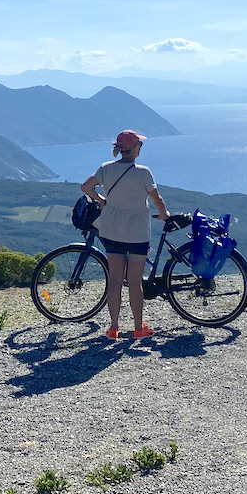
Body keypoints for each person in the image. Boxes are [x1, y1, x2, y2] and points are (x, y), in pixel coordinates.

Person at [80, 129, 170, 339]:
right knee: (135, 281)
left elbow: (85, 187)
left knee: (115, 281)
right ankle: (138, 328)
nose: (141, 148)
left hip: (112, 231)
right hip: (137, 232)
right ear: (135, 148)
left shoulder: (106, 169)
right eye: (140, 144)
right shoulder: (143, 172)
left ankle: (113, 328)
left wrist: (102, 201)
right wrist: (164, 214)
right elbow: (157, 199)